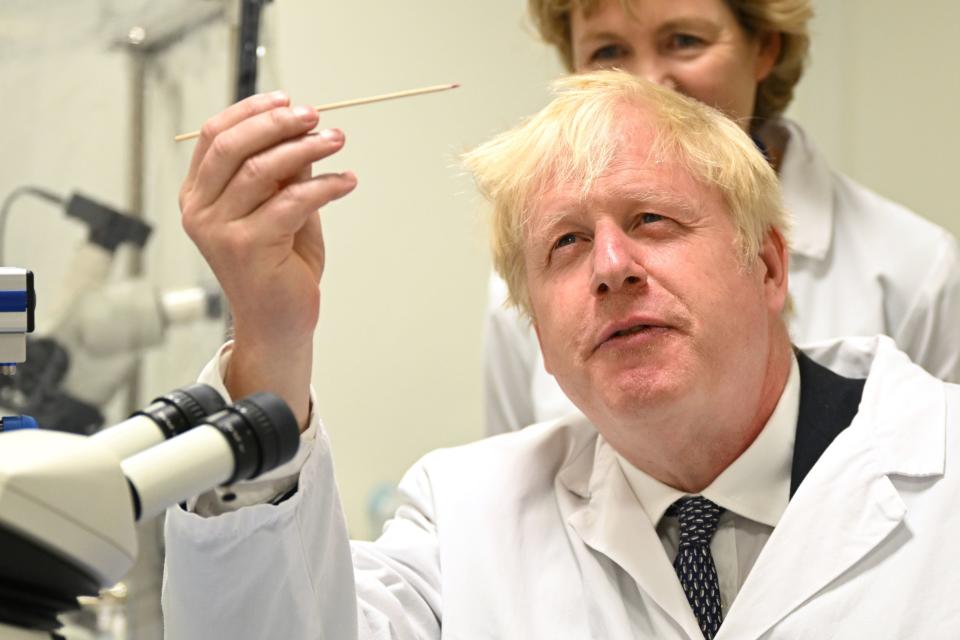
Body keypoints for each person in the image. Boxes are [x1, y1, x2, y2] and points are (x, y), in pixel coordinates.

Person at [162, 71, 960, 639]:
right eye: (567, 244)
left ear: (768, 266)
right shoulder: (463, 520)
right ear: (536, 330)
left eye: (651, 219)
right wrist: (271, 338)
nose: (611, 267)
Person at [484, 0, 960, 435]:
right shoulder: (536, 283)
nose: (646, 83)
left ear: (764, 48)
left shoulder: (914, 266)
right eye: (609, 50)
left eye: (684, 41)